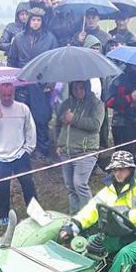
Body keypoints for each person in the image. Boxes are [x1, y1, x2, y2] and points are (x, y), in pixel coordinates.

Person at [0, 82, 38, 226]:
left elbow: (30, 129)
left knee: (28, 184)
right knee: (1, 189)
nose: (6, 98)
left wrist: (28, 148)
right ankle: (3, 216)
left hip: (19, 154)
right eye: (3, 95)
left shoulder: (23, 108)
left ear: (14, 93)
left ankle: (36, 213)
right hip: (0, 156)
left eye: (9, 95)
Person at [8, 8, 59, 157]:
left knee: (41, 118)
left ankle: (42, 149)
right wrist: (14, 81)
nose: (36, 23)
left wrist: (50, 83)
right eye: (33, 20)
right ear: (28, 21)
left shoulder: (50, 38)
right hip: (22, 83)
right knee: (21, 118)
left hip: (41, 84)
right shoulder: (18, 38)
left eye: (39, 20)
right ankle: (23, 148)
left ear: (42, 22)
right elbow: (12, 60)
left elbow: (54, 62)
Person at [55, 80, 104, 213]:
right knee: (70, 186)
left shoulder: (96, 104)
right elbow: (58, 125)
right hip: (66, 151)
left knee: (80, 184)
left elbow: (95, 125)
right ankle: (75, 215)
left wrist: (74, 119)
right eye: (75, 88)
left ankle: (90, 216)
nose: (78, 91)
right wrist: (59, 144)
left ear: (87, 88)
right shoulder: (67, 103)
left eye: (81, 88)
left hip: (86, 151)